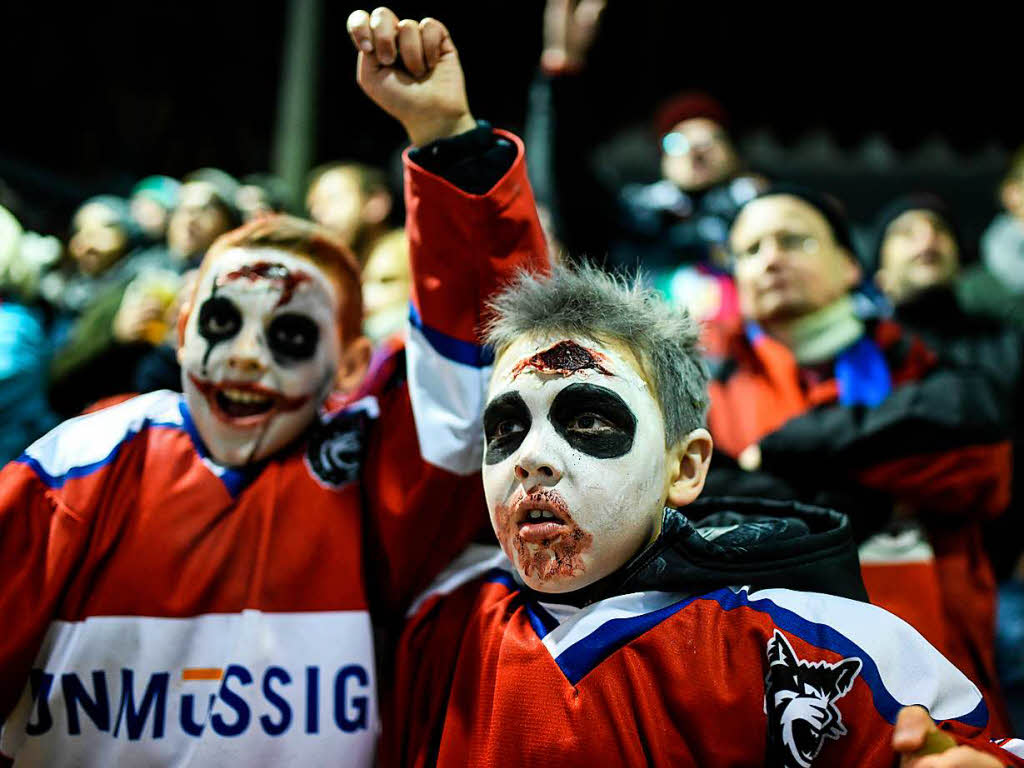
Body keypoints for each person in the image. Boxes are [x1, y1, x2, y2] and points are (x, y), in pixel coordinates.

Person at [0, 12, 548, 765]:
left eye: (290, 336)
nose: (248, 359)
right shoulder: (85, 461)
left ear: (349, 366)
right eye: (223, 322)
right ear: (182, 325)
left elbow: (495, 366)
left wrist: (449, 136)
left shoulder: (373, 478)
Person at [387, 262, 1024, 768]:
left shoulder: (815, 643)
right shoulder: (441, 617)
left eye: (588, 419)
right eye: (506, 427)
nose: (532, 458)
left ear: (686, 467)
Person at [705, 185, 1014, 730]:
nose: (770, 258)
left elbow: (980, 462)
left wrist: (783, 453)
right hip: (783, 697)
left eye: (792, 240)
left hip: (948, 676)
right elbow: (709, 506)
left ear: (851, 265)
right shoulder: (710, 384)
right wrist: (870, 497)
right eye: (750, 250)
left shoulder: (909, 355)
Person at [305, 161, 393, 263]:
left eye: (332, 199)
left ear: (375, 204)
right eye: (313, 206)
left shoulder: (408, 260)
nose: (316, 213)